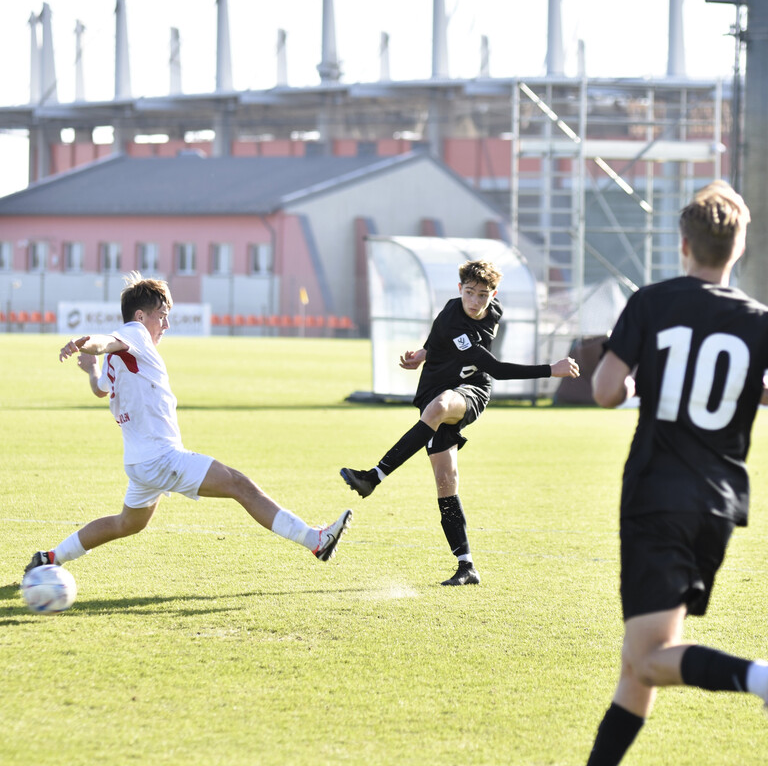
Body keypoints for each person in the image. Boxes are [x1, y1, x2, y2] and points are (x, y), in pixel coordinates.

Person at [586, 180, 768, 765]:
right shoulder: (759, 320)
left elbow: (605, 390)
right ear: (737, 249)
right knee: (636, 665)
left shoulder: (652, 301)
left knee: (647, 658)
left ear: (683, 245)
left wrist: (638, 381)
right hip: (717, 503)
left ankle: (759, 678)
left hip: (656, 497)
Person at [25, 271, 352, 577]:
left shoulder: (120, 357)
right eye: (161, 314)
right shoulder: (133, 334)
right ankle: (315, 541)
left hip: (139, 462)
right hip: (161, 457)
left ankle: (49, 558)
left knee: (127, 523)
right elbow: (104, 340)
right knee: (241, 486)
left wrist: (92, 369)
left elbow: (101, 389)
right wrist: (84, 343)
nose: (166, 324)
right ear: (141, 316)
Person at [340, 259, 579, 585]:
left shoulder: (494, 312)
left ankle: (374, 476)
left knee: (440, 408)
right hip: (435, 388)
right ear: (459, 290)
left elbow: (490, 369)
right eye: (469, 292)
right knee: (446, 480)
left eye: (483, 295)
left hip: (471, 391)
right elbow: (444, 337)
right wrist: (422, 355)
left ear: (494, 294)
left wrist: (551, 369)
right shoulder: (454, 318)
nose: (475, 301)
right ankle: (466, 566)